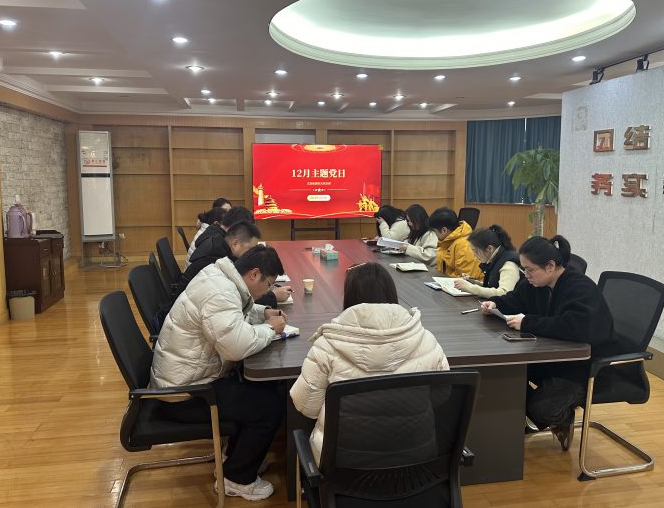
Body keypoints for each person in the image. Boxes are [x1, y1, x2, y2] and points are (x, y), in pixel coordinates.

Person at [150, 245, 287, 501]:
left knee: (264, 387)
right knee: (270, 407)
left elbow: (234, 313)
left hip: (187, 378)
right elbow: (235, 346)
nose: (268, 291)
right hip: (185, 394)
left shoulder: (221, 277)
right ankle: (236, 478)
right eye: (268, 284)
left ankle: (234, 457)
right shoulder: (220, 292)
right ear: (254, 274)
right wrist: (270, 328)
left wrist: (263, 312)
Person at [289, 262, 449, 465]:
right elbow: (441, 395)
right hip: (415, 461)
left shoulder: (328, 345)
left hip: (343, 465)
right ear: (392, 294)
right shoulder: (426, 339)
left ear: (350, 297)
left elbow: (306, 407)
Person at [479, 235, 618, 450]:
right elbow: (516, 299)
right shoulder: (536, 283)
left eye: (530, 269)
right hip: (555, 357)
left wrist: (527, 322)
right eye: (524, 269)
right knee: (505, 375)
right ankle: (511, 423)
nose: (526, 275)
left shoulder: (580, 287)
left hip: (586, 366)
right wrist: (495, 304)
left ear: (550, 266)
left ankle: (562, 418)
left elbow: (576, 327)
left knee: (542, 409)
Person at [453, 224, 521, 297]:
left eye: (476, 251)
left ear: (489, 248)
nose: (474, 255)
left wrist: (471, 288)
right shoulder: (496, 258)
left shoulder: (509, 264)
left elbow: (504, 293)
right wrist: (471, 282)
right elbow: (492, 285)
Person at [427, 207, 482, 279]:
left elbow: (466, 278)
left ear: (444, 230)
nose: (435, 235)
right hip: (447, 281)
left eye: (435, 232)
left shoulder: (464, 246)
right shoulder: (446, 242)